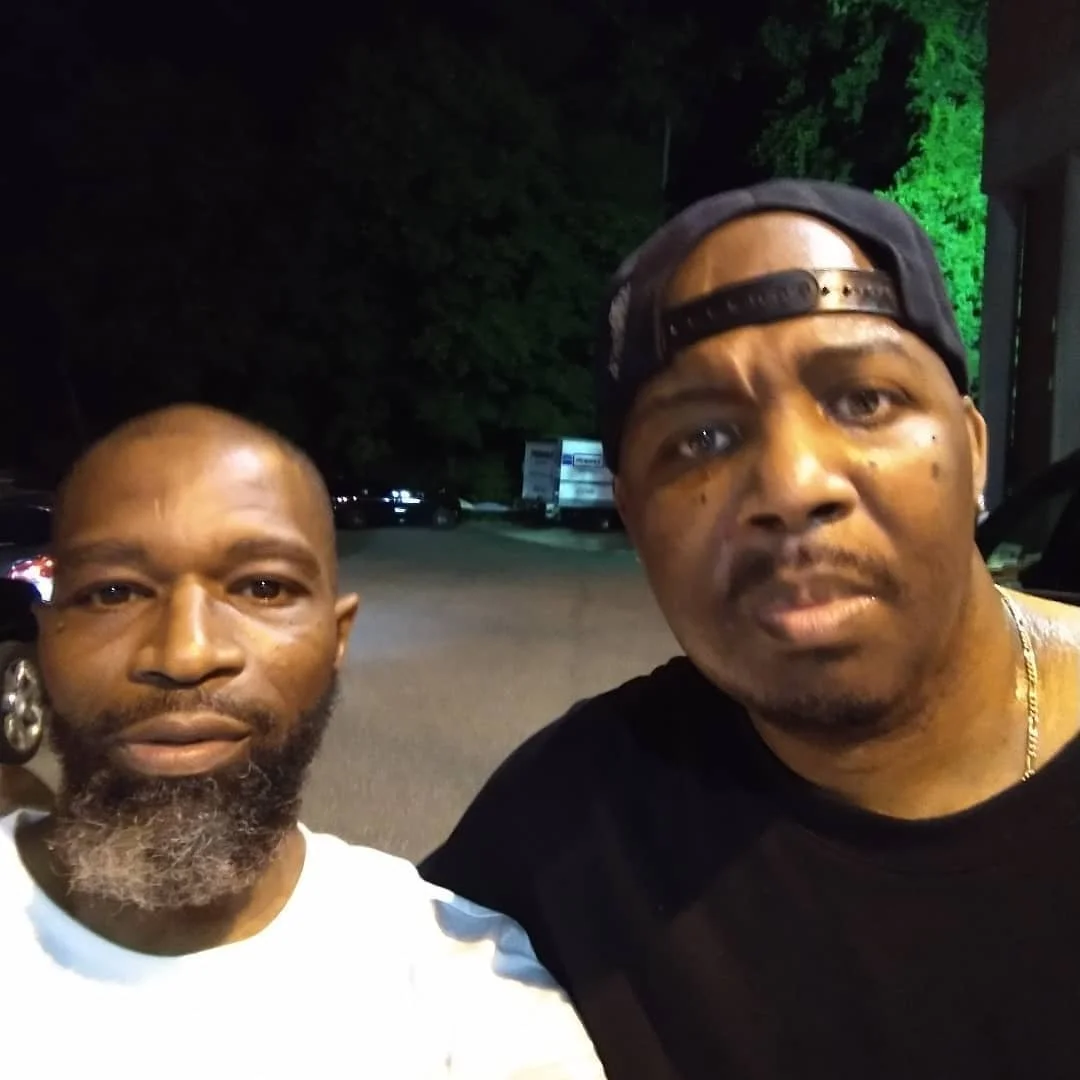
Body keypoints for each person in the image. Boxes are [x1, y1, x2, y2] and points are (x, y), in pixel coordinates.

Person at [420, 179, 1080, 1079]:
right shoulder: (565, 835)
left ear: (974, 450)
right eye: (699, 440)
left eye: (865, 401)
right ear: (635, 518)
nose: (792, 483)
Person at [1, 404, 603, 1080]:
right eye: (113, 592)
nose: (185, 652)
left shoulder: (470, 990)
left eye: (262, 587)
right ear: (46, 637)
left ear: (336, 639)